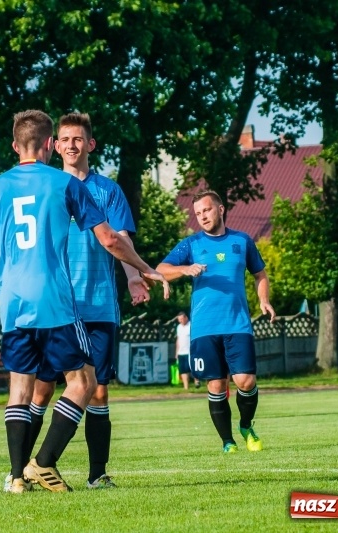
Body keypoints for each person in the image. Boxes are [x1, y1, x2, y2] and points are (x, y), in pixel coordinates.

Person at [0, 109, 168, 493]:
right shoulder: (63, 184)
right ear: (48, 145)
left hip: (13, 303)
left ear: (13, 145)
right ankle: (44, 462)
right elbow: (109, 239)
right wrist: (145, 268)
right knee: (84, 380)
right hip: (55, 300)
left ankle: (17, 478)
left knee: (19, 390)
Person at [22, 112, 153, 491]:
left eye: (78, 139)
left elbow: (120, 241)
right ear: (54, 145)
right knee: (42, 389)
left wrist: (133, 278)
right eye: (64, 139)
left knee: (97, 389)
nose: (71, 145)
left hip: (97, 304)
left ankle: (96, 474)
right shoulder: (49, 188)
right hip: (57, 306)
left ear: (90, 145)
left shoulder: (108, 191)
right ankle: (23, 471)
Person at [156, 190, 275, 453]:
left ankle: (246, 425)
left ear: (220, 209)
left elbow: (260, 274)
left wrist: (264, 300)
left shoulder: (242, 241)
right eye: (198, 213)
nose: (202, 217)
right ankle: (227, 441)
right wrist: (184, 269)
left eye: (206, 210)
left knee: (245, 381)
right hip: (204, 329)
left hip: (238, 324)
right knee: (217, 384)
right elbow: (161, 269)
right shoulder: (191, 245)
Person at [175, 311, 200, 389]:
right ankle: (186, 387)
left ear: (186, 318)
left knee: (192, 368)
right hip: (181, 352)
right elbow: (178, 339)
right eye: (179, 319)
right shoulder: (179, 327)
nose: (180, 321)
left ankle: (197, 381)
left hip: (190, 351)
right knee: (183, 370)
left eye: (182, 319)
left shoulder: (191, 326)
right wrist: (176, 352)